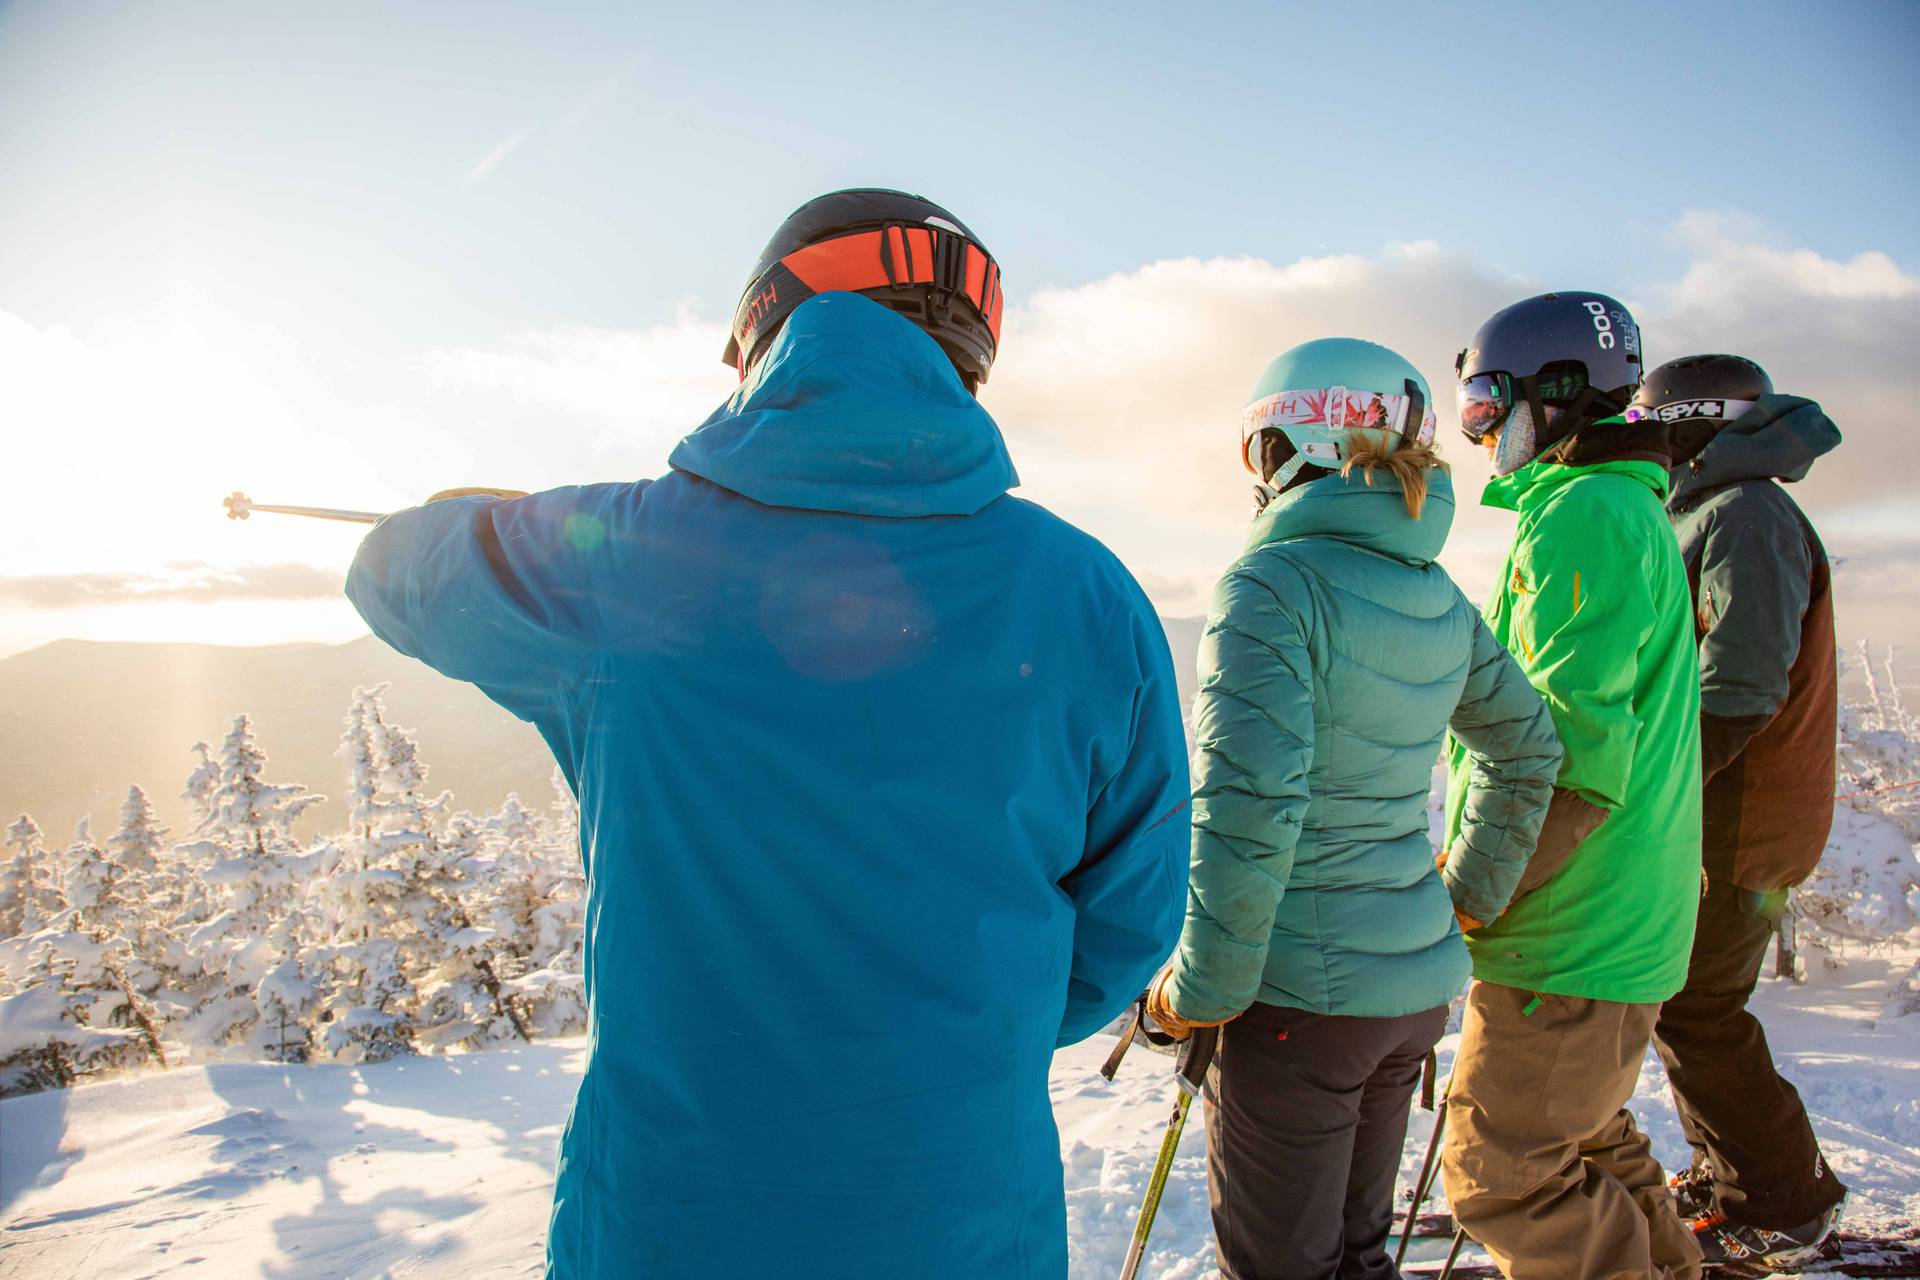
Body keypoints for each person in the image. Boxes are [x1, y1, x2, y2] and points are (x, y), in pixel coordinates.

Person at [345, 188, 1191, 1279]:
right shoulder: (1089, 594)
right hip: (964, 1219)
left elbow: (392, 571)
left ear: (768, 329)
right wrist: (977, 1036)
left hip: (673, 1224)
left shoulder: (620, 561)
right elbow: (1131, 919)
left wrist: (508, 511)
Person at [1144, 338, 1564, 1280]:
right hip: (1406, 997)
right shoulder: (1435, 594)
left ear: (1296, 444)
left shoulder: (1271, 588)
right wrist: (1462, 899)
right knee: (1356, 1256)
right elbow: (1527, 750)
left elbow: (1250, 811)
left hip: (1296, 1004)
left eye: (1260, 450)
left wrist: (1195, 991)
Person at [1439, 291, 1705, 1280]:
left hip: (1569, 925)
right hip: (1618, 913)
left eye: (1482, 401)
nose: (1476, 431)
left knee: (1503, 1173)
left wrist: (1471, 894)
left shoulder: (1583, 519)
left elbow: (1566, 758)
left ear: (1555, 395)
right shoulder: (1619, 506)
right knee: (1586, 1139)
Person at [1632, 355, 1847, 1265]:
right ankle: (1739, 1175)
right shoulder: (1722, 509)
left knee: (1697, 1009)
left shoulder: (1745, 514)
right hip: (1738, 812)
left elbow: (1743, 685)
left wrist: (1654, 794)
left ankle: (1782, 1202)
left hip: (1739, 820)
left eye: (1650, 429)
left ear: (1691, 426)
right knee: (1690, 1005)